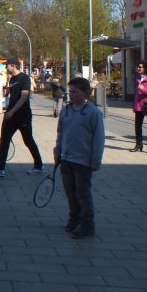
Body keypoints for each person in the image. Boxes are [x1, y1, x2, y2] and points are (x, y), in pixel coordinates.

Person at [54, 77, 104, 239]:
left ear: (85, 93)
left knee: (83, 194)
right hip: (67, 159)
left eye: (75, 92)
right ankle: (74, 219)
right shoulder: (66, 110)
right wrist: (57, 150)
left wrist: (96, 160)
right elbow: (61, 132)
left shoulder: (93, 112)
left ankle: (88, 224)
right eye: (70, 92)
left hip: (83, 161)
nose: (71, 95)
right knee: (70, 193)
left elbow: (98, 138)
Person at [0, 58, 44, 177]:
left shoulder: (24, 78)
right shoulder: (11, 78)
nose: (6, 68)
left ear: (14, 66)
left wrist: (12, 111)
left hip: (23, 116)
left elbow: (24, 97)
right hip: (10, 115)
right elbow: (13, 95)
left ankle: (39, 166)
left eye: (8, 66)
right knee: (4, 140)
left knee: (28, 141)